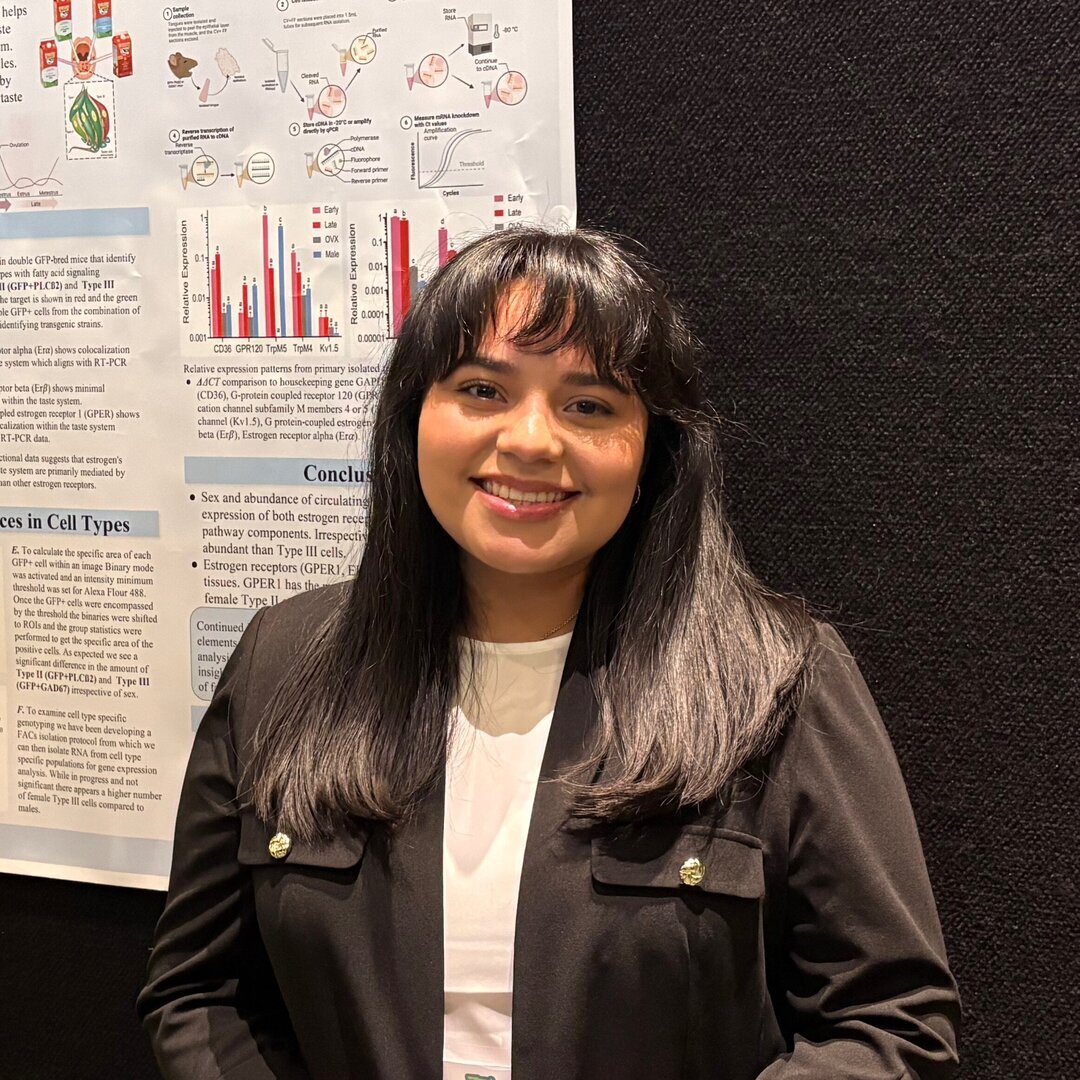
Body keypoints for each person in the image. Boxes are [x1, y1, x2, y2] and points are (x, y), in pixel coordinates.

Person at [137, 227, 960, 1079]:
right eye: (482, 389)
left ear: (654, 448)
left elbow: (890, 1021)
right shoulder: (282, 663)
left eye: (589, 405)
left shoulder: (775, 681)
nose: (531, 440)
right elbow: (200, 993)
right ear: (412, 416)